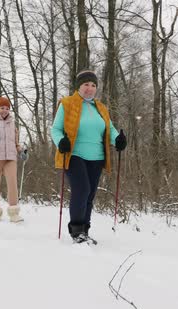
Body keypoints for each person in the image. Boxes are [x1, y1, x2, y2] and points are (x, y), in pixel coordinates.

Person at [51, 69, 127, 243]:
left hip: (97, 157)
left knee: (90, 195)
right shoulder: (67, 103)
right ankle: (76, 231)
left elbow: (110, 130)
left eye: (93, 85)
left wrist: (118, 140)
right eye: (86, 84)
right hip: (74, 155)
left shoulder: (100, 107)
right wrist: (61, 140)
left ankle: (84, 230)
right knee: (82, 190)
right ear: (79, 86)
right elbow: (55, 128)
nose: (90, 88)